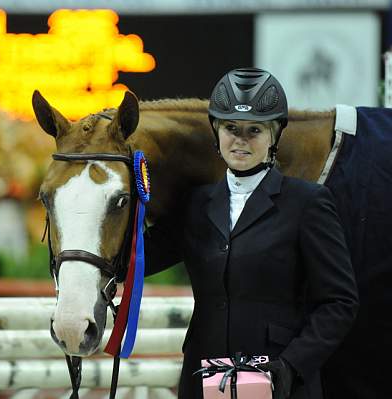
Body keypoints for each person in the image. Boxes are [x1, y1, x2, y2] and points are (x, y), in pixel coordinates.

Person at [144, 67, 359, 399]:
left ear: (274, 135)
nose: (240, 140)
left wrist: (292, 364)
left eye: (254, 130)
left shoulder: (308, 203)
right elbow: (135, 259)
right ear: (216, 132)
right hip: (205, 379)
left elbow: (339, 302)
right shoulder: (195, 205)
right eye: (231, 128)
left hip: (279, 381)